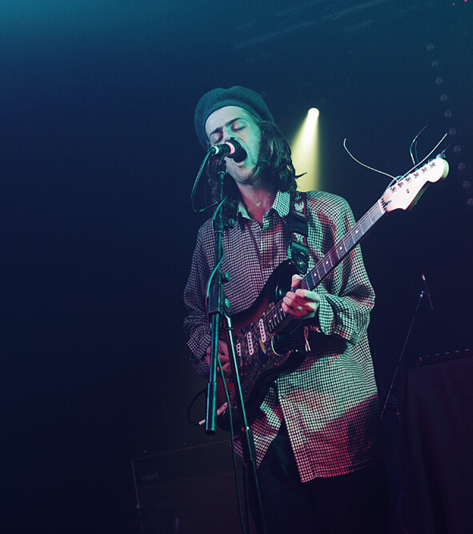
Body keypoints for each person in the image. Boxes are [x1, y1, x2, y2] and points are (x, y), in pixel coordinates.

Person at [183, 86, 388, 533]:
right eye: (215, 133)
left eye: (237, 125)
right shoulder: (210, 237)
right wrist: (211, 348)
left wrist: (318, 307)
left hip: (336, 423)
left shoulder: (327, 211)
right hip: (260, 433)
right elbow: (195, 318)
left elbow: (361, 306)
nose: (227, 137)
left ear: (265, 135)